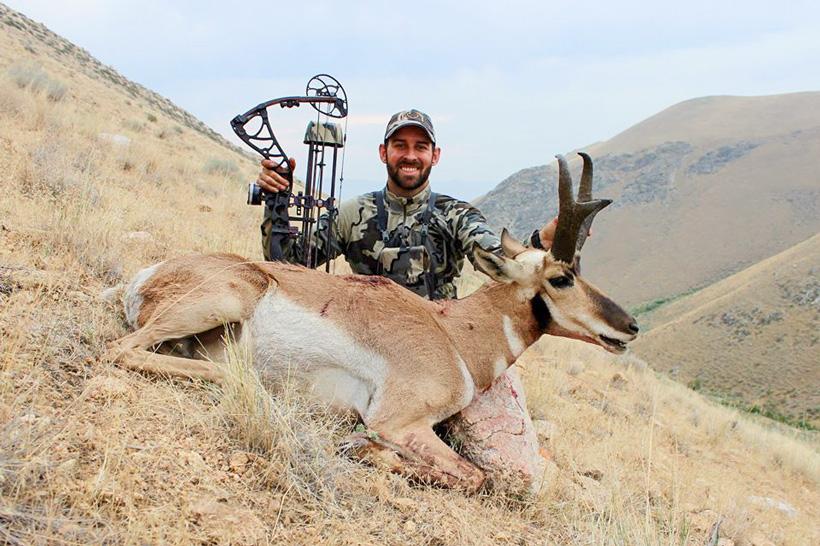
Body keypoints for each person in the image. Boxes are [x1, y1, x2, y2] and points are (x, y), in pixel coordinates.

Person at [256, 109, 556, 494]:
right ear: (384, 152)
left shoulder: (455, 215)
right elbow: (293, 263)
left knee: (505, 467)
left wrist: (540, 243)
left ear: (435, 155)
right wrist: (276, 203)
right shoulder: (354, 214)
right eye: (400, 146)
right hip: (369, 349)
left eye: (420, 147)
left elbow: (499, 260)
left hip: (442, 359)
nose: (410, 155)